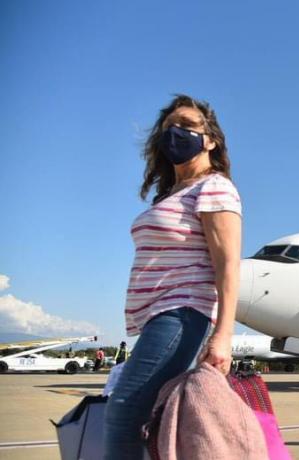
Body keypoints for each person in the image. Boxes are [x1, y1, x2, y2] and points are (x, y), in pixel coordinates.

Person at [104, 95, 242, 459]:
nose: (175, 133)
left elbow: (228, 264)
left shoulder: (214, 187)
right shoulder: (170, 195)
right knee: (147, 419)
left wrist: (223, 335)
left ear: (210, 139)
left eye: (186, 125)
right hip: (156, 317)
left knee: (123, 413)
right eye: (168, 128)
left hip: (182, 310)